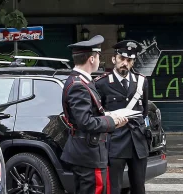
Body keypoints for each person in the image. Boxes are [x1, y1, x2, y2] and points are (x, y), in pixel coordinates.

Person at [61, 35, 128, 194]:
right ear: (91, 59)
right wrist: (112, 122)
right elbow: (85, 122)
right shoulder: (79, 85)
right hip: (89, 153)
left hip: (85, 151)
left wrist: (108, 115)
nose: (99, 60)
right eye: (98, 56)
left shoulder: (80, 81)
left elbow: (89, 112)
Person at [94, 40, 149, 194]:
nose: (125, 63)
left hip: (138, 143)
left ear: (133, 62)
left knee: (139, 187)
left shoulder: (142, 82)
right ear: (114, 59)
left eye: (129, 60)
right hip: (115, 142)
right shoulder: (102, 84)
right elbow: (99, 113)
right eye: (122, 59)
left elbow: (143, 111)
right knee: (114, 188)